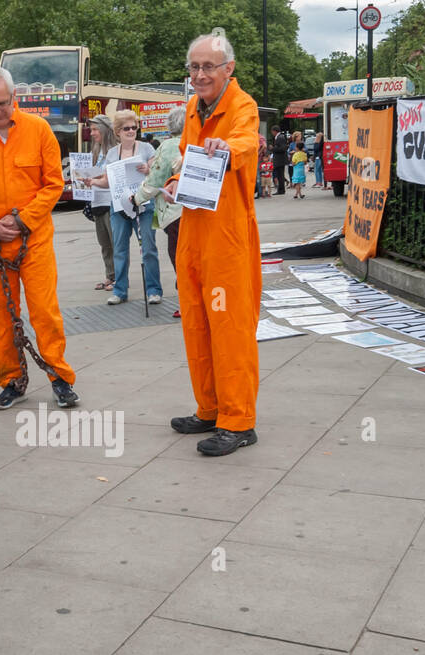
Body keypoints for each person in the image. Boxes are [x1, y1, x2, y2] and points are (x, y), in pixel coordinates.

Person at [0, 66, 78, 412]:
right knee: (1, 315)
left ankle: (60, 378)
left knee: (44, 311)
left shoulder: (38, 130)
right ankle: (11, 380)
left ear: (15, 99)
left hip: (33, 239)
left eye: (3, 104)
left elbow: (53, 184)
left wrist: (23, 220)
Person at [161, 34, 261, 456]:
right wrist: (171, 184)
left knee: (229, 328)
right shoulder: (191, 109)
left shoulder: (242, 107)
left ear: (228, 69)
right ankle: (210, 408)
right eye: (194, 67)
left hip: (226, 237)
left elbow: (246, 142)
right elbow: (185, 160)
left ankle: (238, 422)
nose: (199, 75)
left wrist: (226, 146)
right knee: (197, 324)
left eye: (208, 67)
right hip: (193, 232)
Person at [84, 109, 162, 306]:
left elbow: (157, 174)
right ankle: (120, 290)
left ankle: (153, 290)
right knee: (119, 248)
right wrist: (92, 182)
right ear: (118, 131)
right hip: (119, 205)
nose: (131, 131)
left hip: (143, 204)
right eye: (126, 128)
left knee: (149, 248)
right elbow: (108, 181)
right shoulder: (112, 153)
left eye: (134, 127)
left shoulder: (146, 149)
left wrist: (148, 169)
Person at [132, 107, 185, 319]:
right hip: (202, 211)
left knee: (180, 259)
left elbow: (155, 181)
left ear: (170, 126)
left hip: (176, 212)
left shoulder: (169, 145)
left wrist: (136, 198)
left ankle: (187, 303)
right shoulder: (199, 139)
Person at [81, 114, 116, 291]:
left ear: (104, 129)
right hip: (96, 201)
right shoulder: (95, 151)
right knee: (104, 243)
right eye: (92, 129)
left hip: (111, 201)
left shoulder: (115, 150)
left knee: (115, 241)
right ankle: (110, 275)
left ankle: (119, 277)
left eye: (95, 129)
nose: (92, 133)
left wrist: (97, 177)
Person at [271, 125, 289, 194]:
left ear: (275, 131)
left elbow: (283, 148)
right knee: (280, 175)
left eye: (272, 131)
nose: (272, 133)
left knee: (280, 175)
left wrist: (273, 148)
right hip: (279, 159)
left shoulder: (280, 137)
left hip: (280, 159)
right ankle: (281, 189)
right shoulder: (278, 137)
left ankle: (281, 190)